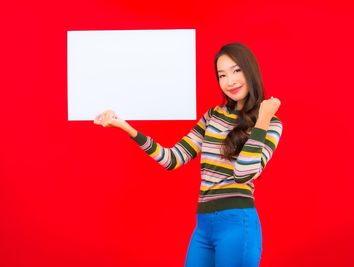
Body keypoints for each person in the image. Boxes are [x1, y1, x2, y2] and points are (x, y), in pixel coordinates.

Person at [94, 43, 282, 267]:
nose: (230, 81)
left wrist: (262, 121)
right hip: (203, 225)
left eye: (236, 70)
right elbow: (172, 159)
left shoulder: (271, 124)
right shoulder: (213, 116)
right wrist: (126, 128)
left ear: (250, 70)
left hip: (237, 224)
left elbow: (243, 173)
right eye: (222, 75)